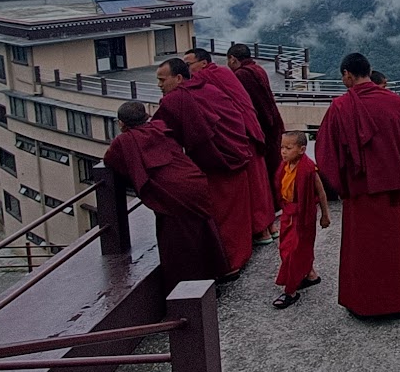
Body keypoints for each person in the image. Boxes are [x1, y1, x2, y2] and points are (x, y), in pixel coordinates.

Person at [314, 51, 400, 318]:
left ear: (347, 74)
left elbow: (326, 153)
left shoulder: (340, 106)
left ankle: (362, 305)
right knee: (396, 245)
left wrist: (343, 184)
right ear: (369, 71)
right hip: (393, 186)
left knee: (363, 248)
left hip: (359, 190)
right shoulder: (393, 101)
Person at [102, 101, 227, 286]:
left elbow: (110, 160)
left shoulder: (124, 141)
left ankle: (187, 287)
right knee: (202, 231)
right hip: (193, 181)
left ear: (121, 123)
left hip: (172, 193)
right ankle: (213, 275)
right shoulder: (160, 128)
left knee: (177, 244)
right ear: (146, 117)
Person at [152, 57, 258, 274]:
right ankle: (239, 257)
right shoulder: (208, 88)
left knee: (221, 215)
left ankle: (228, 265)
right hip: (236, 153)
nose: (159, 85)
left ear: (178, 78)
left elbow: (158, 134)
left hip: (214, 163)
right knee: (235, 214)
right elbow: (234, 116)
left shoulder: (175, 100)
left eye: (162, 80)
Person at [184, 46, 276, 245]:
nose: (186, 70)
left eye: (188, 65)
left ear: (203, 63)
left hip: (240, 135)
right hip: (252, 128)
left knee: (252, 183)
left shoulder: (206, 78)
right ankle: (270, 226)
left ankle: (261, 231)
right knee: (260, 180)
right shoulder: (225, 73)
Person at [272, 131, 330, 309]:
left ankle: (290, 291)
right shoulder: (285, 166)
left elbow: (321, 193)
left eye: (288, 148)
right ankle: (311, 275)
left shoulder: (309, 169)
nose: (283, 151)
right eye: (282, 147)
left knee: (294, 252)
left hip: (303, 215)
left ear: (302, 150)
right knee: (288, 248)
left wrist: (325, 215)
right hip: (288, 213)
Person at [226, 42, 286, 196]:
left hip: (261, 124)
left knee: (267, 168)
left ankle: (272, 199)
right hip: (272, 121)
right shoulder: (258, 69)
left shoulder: (242, 75)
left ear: (232, 59)